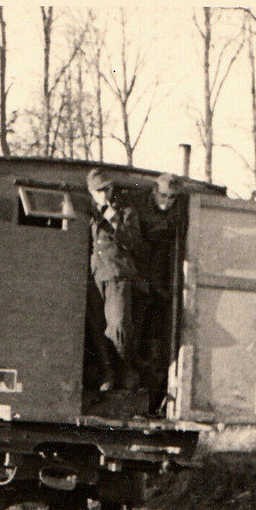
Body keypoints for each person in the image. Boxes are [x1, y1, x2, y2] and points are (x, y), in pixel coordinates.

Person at [87, 167, 143, 391]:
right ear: (91, 192)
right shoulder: (89, 210)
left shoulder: (125, 211)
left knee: (118, 325)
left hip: (117, 274)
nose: (105, 194)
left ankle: (124, 370)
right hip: (95, 275)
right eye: (100, 190)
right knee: (96, 326)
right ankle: (107, 372)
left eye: (108, 189)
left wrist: (115, 221)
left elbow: (134, 242)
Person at [135, 173, 182, 409]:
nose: (167, 201)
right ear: (154, 192)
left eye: (172, 197)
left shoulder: (176, 213)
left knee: (159, 348)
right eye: (163, 195)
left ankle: (155, 403)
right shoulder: (142, 213)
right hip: (144, 289)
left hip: (160, 294)